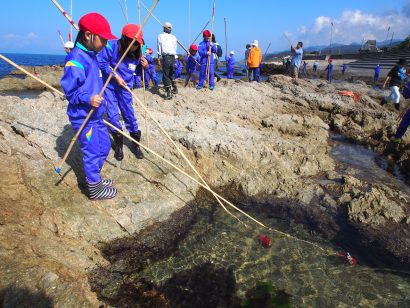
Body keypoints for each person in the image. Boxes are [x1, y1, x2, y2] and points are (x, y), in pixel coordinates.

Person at [60, 12, 117, 200]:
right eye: (103, 39)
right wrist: (88, 99)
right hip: (83, 117)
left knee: (105, 146)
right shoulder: (75, 58)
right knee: (92, 152)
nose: (105, 44)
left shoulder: (93, 55)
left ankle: (95, 179)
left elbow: (99, 76)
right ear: (88, 35)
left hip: (96, 116)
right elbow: (70, 92)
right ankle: (93, 189)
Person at [98, 23, 148, 161]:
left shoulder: (138, 52)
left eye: (137, 43)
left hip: (126, 87)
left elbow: (138, 71)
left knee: (129, 114)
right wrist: (115, 76)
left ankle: (135, 144)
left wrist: (145, 66)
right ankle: (118, 145)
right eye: (132, 42)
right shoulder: (111, 46)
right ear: (124, 38)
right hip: (110, 86)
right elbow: (101, 63)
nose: (134, 46)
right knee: (113, 115)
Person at [157, 21, 178, 99]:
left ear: (164, 28)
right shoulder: (174, 37)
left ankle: (169, 93)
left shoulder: (160, 36)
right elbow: (175, 48)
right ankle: (175, 88)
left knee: (165, 75)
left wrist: (159, 58)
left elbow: (159, 47)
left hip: (166, 57)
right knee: (171, 73)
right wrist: (176, 58)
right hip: (173, 57)